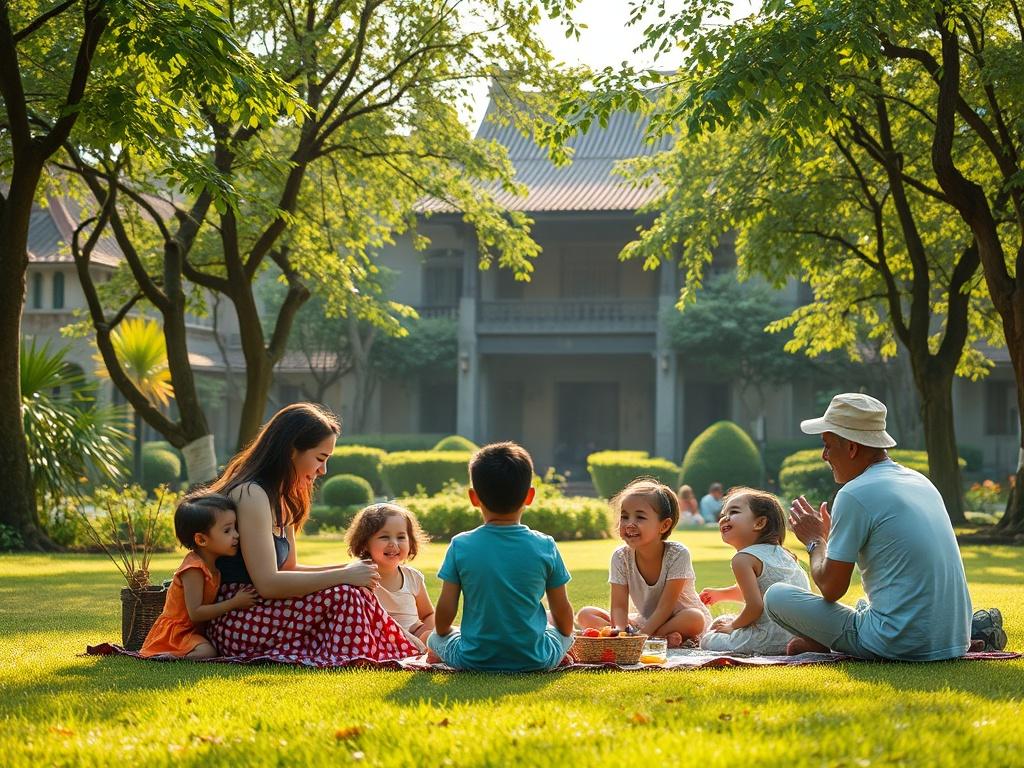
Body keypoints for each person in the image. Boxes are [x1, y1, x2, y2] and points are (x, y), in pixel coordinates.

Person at [204, 403, 419, 665]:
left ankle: (399, 646)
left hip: (271, 613)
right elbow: (268, 583)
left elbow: (290, 568)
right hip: (241, 617)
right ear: (291, 450)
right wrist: (343, 575)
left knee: (355, 589)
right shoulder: (251, 494)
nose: (323, 471)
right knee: (347, 593)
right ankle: (395, 648)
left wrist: (351, 569)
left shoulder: (284, 499)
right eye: (320, 458)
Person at [764, 393, 973, 661]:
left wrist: (815, 541)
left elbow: (831, 588)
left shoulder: (855, 493)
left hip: (896, 643)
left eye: (827, 445)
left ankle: (829, 640)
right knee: (863, 605)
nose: (824, 455)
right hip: (955, 640)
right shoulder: (920, 481)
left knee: (776, 596)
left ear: (851, 448)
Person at [427, 442, 575, 671]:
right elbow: (562, 612)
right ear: (530, 496)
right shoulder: (545, 545)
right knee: (562, 633)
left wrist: (445, 635)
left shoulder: (461, 545)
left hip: (473, 660)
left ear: (474, 498)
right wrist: (565, 636)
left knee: (434, 638)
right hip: (536, 660)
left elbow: (445, 616)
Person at [576, 477, 710, 647]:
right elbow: (618, 606)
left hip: (677, 617)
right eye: (624, 517)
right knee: (585, 614)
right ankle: (661, 639)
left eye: (639, 517)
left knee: (695, 617)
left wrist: (641, 635)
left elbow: (665, 607)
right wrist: (621, 631)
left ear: (664, 526)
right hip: (643, 621)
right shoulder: (620, 557)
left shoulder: (677, 554)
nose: (629, 524)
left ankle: (652, 638)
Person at [140, 495, 259, 659]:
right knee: (207, 652)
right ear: (201, 539)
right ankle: (174, 658)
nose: (236, 535)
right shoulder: (194, 569)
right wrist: (234, 603)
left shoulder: (214, 566)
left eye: (235, 528)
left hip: (194, 630)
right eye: (227, 530)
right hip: (178, 632)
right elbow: (195, 612)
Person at [698, 488, 811, 655]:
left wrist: (732, 626)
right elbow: (758, 591)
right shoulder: (784, 554)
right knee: (723, 621)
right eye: (723, 514)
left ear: (759, 523)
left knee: (708, 639)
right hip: (801, 633)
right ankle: (796, 645)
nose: (724, 518)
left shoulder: (743, 559)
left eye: (734, 511)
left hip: (767, 638)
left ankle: (776, 646)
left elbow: (755, 606)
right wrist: (721, 595)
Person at [345, 502, 435, 650]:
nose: (393, 543)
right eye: (384, 537)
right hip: (380, 638)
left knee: (448, 635)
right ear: (365, 543)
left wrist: (427, 633)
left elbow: (428, 614)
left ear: (410, 542)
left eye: (401, 537)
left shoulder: (413, 577)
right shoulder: (360, 575)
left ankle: (423, 644)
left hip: (415, 633)